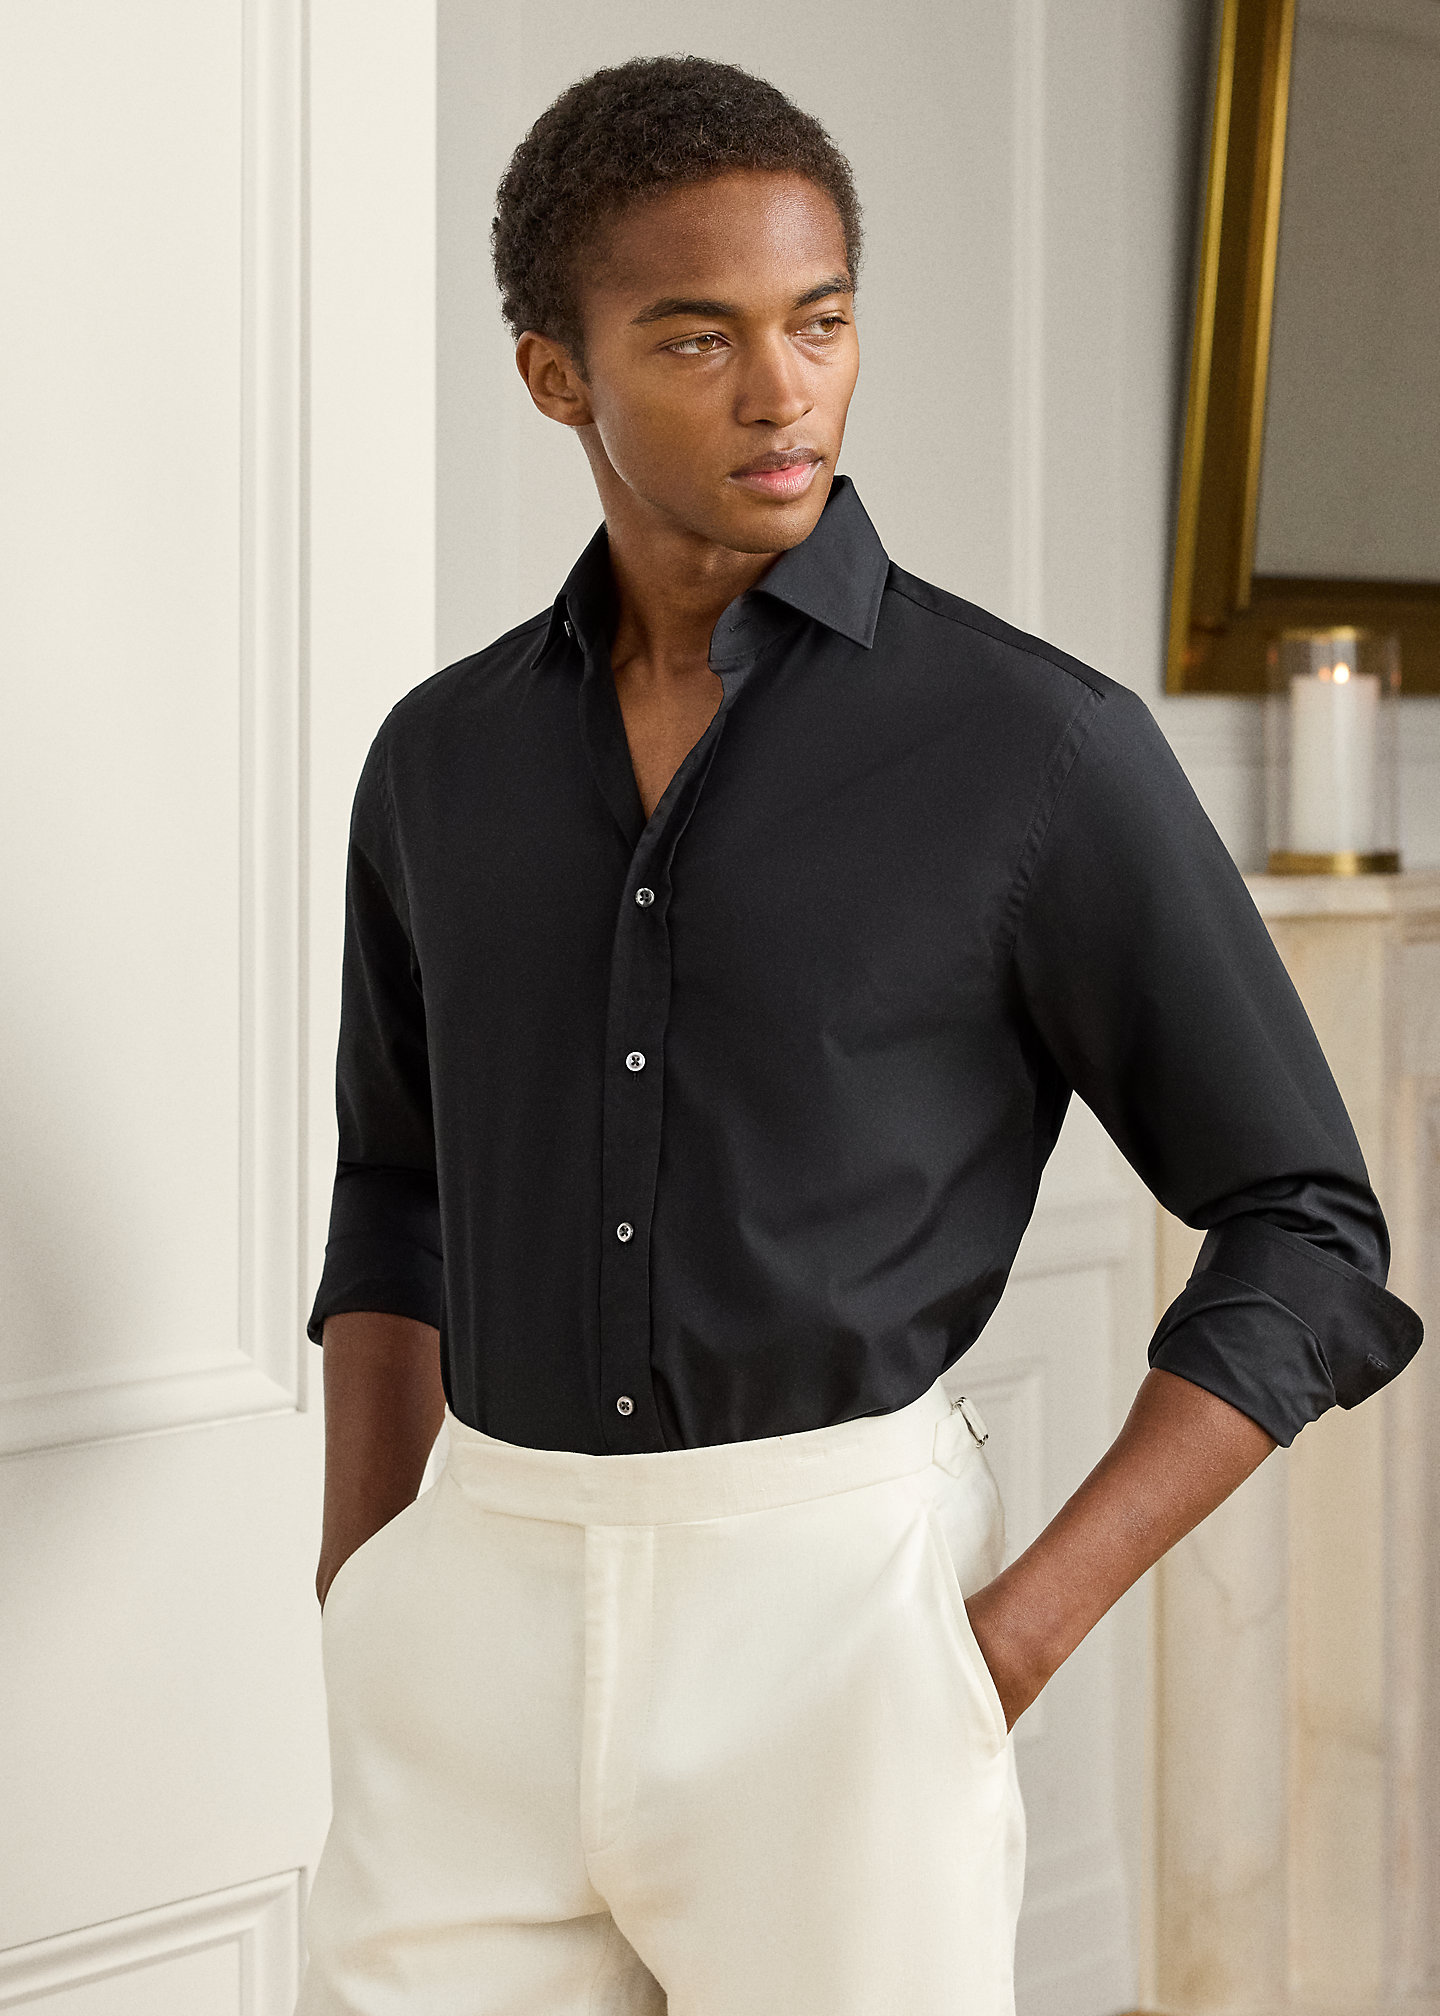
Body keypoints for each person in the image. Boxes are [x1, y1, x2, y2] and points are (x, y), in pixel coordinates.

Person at [294, 54, 1422, 2016]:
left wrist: (1004, 1645)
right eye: (697, 338)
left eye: (818, 324)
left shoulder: (1032, 748)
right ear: (556, 374)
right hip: (467, 1632)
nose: (782, 392)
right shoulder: (440, 762)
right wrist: (365, 1585)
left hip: (839, 1636)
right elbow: (398, 1184)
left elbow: (1307, 1227)